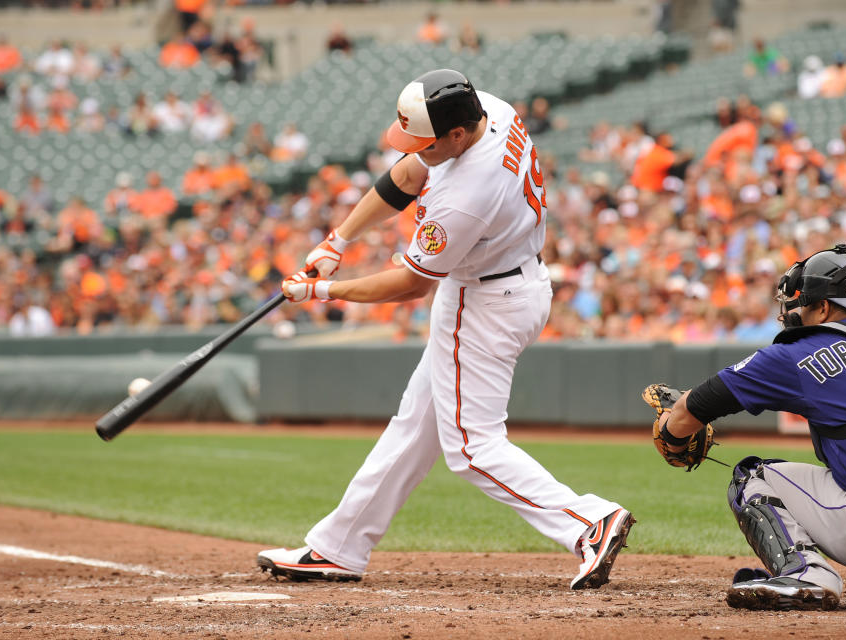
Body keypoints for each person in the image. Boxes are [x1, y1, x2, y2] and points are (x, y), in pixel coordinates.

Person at [258, 69, 634, 590]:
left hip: (484, 302)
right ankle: (337, 547)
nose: (418, 150)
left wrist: (324, 292)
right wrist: (337, 241)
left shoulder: (466, 193)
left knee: (472, 447)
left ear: (457, 134)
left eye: (428, 141)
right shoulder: (488, 110)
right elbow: (410, 173)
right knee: (414, 428)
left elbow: (413, 283)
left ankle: (588, 520)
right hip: (511, 282)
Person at [650, 244, 846, 610]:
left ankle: (806, 573)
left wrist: (671, 434)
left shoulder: (797, 354)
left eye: (802, 303)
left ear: (823, 307)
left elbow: (687, 414)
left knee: (752, 475)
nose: (794, 311)